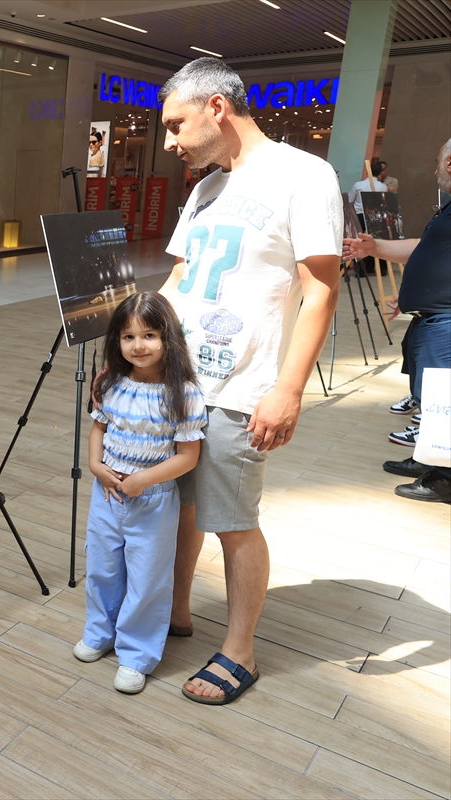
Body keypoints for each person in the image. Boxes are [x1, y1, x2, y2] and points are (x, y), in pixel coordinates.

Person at [158, 58, 342, 704]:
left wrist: (288, 388)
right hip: (179, 386)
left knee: (232, 519)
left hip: (243, 388)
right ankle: (176, 613)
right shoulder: (205, 189)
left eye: (175, 124)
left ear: (216, 108)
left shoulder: (304, 175)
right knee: (178, 507)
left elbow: (321, 291)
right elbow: (180, 282)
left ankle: (241, 651)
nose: (168, 140)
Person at [76, 292, 206, 694]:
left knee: (147, 578)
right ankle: (100, 632)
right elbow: (99, 428)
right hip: (107, 496)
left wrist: (143, 480)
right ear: (116, 340)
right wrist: (97, 467)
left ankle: (136, 654)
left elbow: (187, 457)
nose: (139, 345)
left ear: (169, 338)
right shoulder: (111, 383)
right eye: (128, 336)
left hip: (152, 501)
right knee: (102, 567)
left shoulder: (182, 393)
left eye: (149, 335)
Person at [344, 138, 451, 503]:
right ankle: (429, 460)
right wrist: (375, 248)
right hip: (432, 321)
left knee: (443, 402)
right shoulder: (447, 211)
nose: (436, 168)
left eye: (439, 161)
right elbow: (424, 250)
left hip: (446, 324)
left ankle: (443, 478)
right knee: (431, 399)